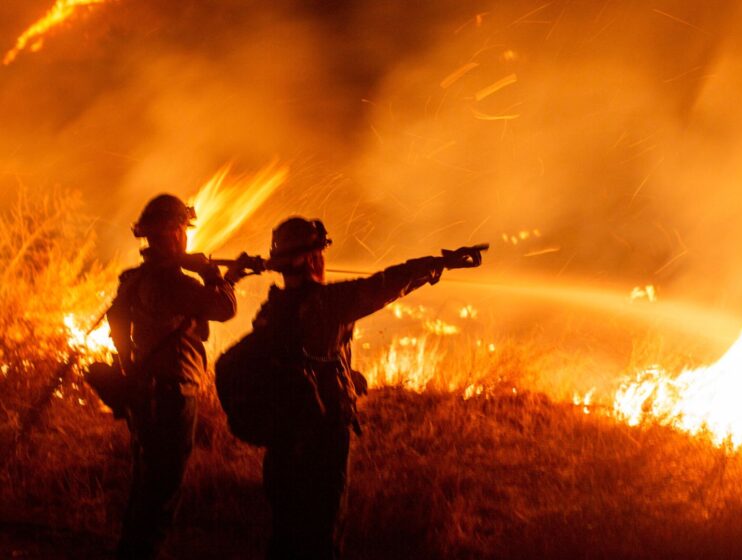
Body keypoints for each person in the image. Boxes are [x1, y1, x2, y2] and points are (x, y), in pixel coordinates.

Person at [254, 216, 484, 559]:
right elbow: (387, 284)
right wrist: (438, 264)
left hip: (282, 436)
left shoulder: (269, 311)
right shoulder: (330, 302)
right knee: (321, 530)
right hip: (323, 432)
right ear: (310, 258)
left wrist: (346, 374)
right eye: (318, 252)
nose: (322, 260)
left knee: (286, 531)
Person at [107, 194, 243, 559]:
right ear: (174, 232)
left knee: (145, 485)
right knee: (162, 490)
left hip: (144, 391)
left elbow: (116, 323)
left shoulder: (135, 279)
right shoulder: (173, 283)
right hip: (172, 395)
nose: (186, 235)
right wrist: (213, 274)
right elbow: (224, 308)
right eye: (183, 228)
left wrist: (127, 365)